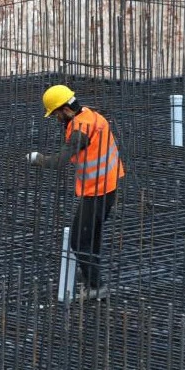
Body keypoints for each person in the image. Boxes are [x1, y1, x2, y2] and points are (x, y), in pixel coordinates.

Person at [26, 84, 125, 300]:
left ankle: (96, 285)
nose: (56, 119)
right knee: (92, 236)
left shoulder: (80, 130)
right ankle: (91, 272)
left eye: (56, 114)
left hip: (97, 190)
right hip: (108, 187)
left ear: (64, 109)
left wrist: (37, 159)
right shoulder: (92, 116)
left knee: (79, 241)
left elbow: (60, 161)